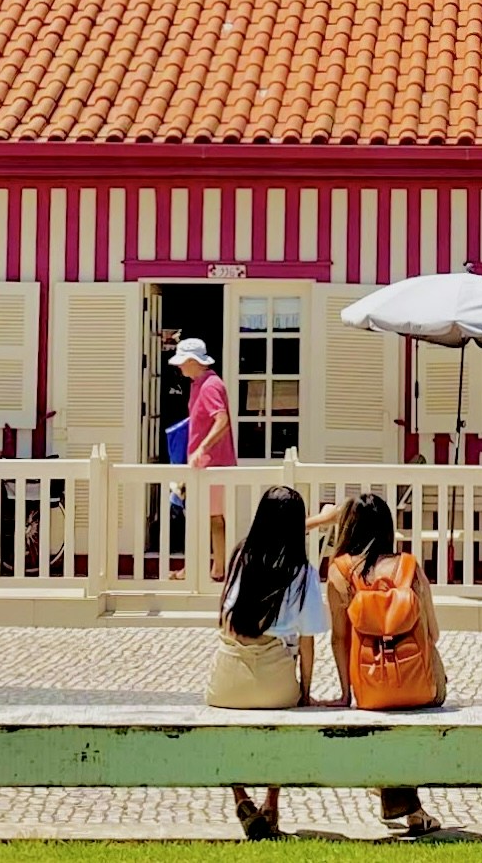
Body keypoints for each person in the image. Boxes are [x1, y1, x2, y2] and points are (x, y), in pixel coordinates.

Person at [321, 490, 445, 834]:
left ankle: (399, 798)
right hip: (423, 687)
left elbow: (340, 639)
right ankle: (408, 808)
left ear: (348, 528)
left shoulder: (340, 572)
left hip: (370, 689)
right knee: (403, 709)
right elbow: (433, 634)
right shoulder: (409, 566)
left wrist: (346, 693)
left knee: (385, 712)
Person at [206, 485, 327, 837]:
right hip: (276, 679)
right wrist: (306, 690)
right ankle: (271, 802)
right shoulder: (302, 571)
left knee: (227, 729)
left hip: (228, 679)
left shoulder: (240, 556)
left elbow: (223, 618)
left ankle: (241, 795)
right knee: (283, 728)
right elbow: (307, 643)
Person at [175, 335, 234, 572]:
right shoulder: (202, 384)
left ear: (192, 360)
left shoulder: (209, 385)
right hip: (207, 463)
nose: (179, 366)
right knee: (210, 517)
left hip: (212, 463)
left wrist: (201, 448)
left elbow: (222, 421)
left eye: (182, 361)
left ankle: (208, 568)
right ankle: (214, 567)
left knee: (209, 517)